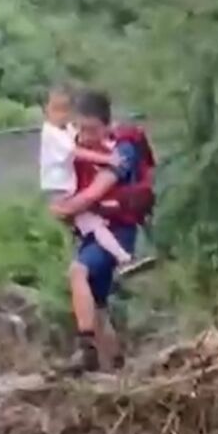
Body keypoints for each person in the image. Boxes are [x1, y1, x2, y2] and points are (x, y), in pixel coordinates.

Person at [50, 88, 145, 372]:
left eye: (92, 130)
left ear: (107, 125)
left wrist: (64, 209)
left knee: (78, 271)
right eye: (80, 128)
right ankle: (116, 366)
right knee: (98, 302)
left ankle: (86, 349)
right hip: (91, 231)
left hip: (118, 231)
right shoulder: (77, 148)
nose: (86, 136)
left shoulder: (122, 151)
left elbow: (95, 193)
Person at [39, 85, 132, 266]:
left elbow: (79, 133)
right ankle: (123, 258)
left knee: (91, 224)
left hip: (66, 188)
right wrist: (108, 159)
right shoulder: (51, 133)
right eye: (56, 110)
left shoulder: (64, 130)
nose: (61, 115)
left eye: (65, 110)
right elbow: (76, 150)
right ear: (46, 110)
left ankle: (122, 257)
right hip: (59, 190)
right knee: (92, 223)